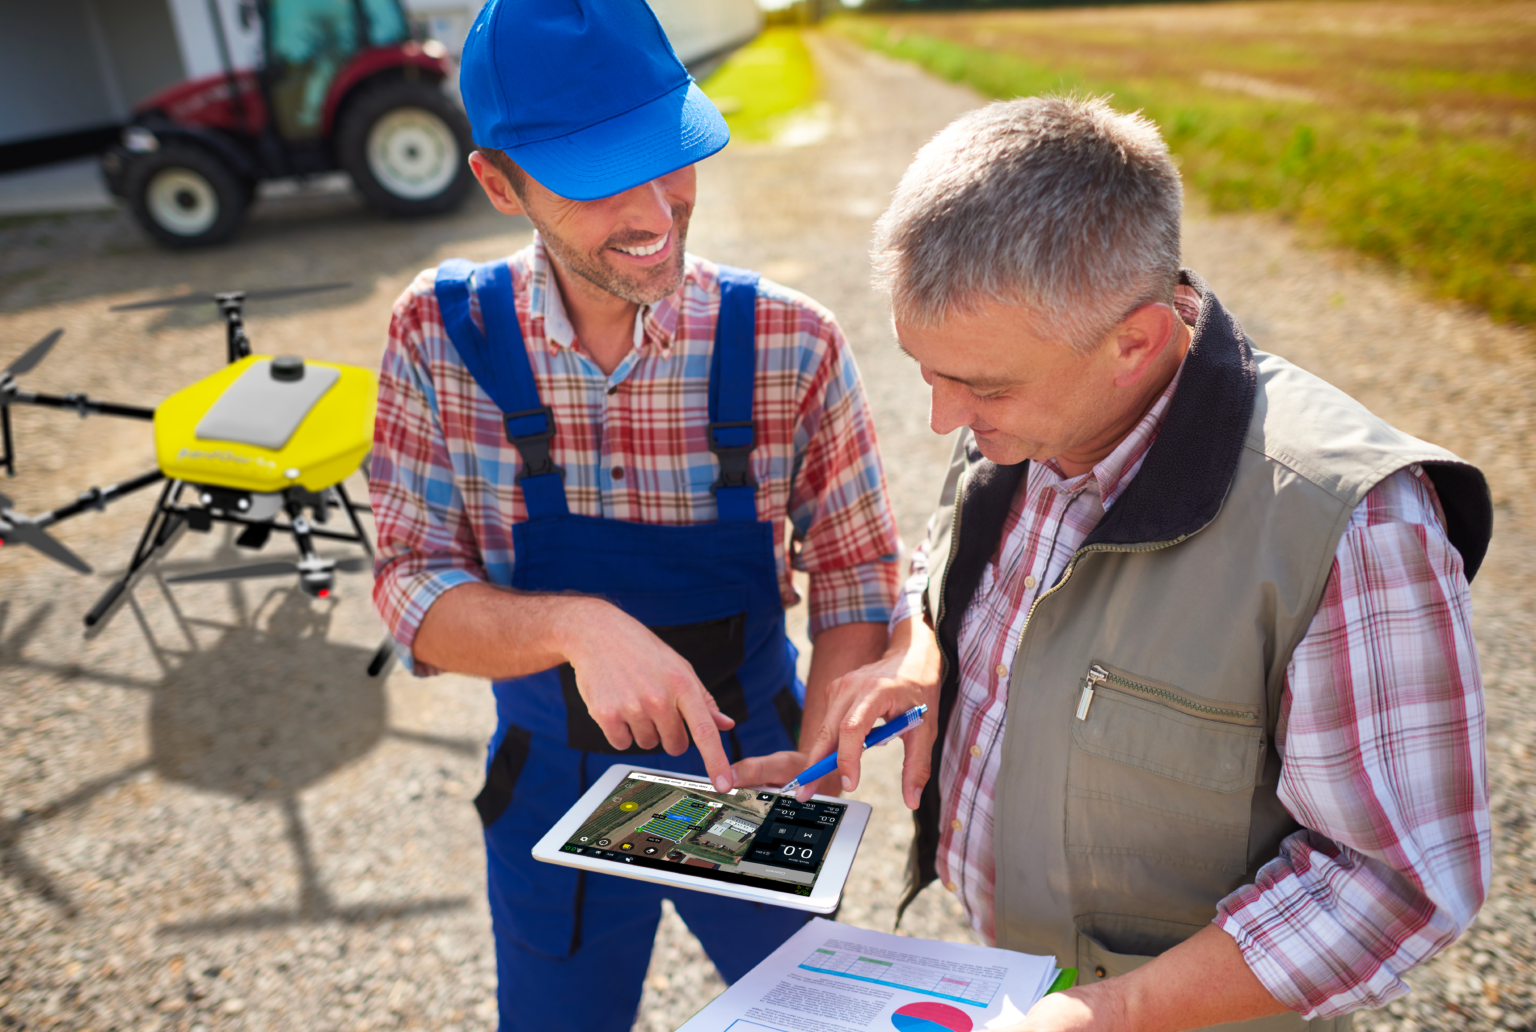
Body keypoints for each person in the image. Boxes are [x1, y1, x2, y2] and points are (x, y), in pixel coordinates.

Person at [734, 95, 1493, 1031]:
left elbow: (1392, 884)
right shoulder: (1032, 408)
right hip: (1016, 976)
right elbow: (957, 556)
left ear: (1133, 341)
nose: (940, 420)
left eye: (977, 385)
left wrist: (1110, 1012)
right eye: (923, 371)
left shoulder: (1353, 524)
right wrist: (924, 643)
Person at [366, 2, 899, 1028]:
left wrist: (825, 760)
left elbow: (858, 579)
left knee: (818, 1017)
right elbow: (408, 589)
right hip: (547, 788)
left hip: (759, 775)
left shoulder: (792, 343)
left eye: (670, 151)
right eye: (598, 174)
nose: (657, 208)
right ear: (496, 181)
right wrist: (572, 627)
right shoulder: (438, 334)